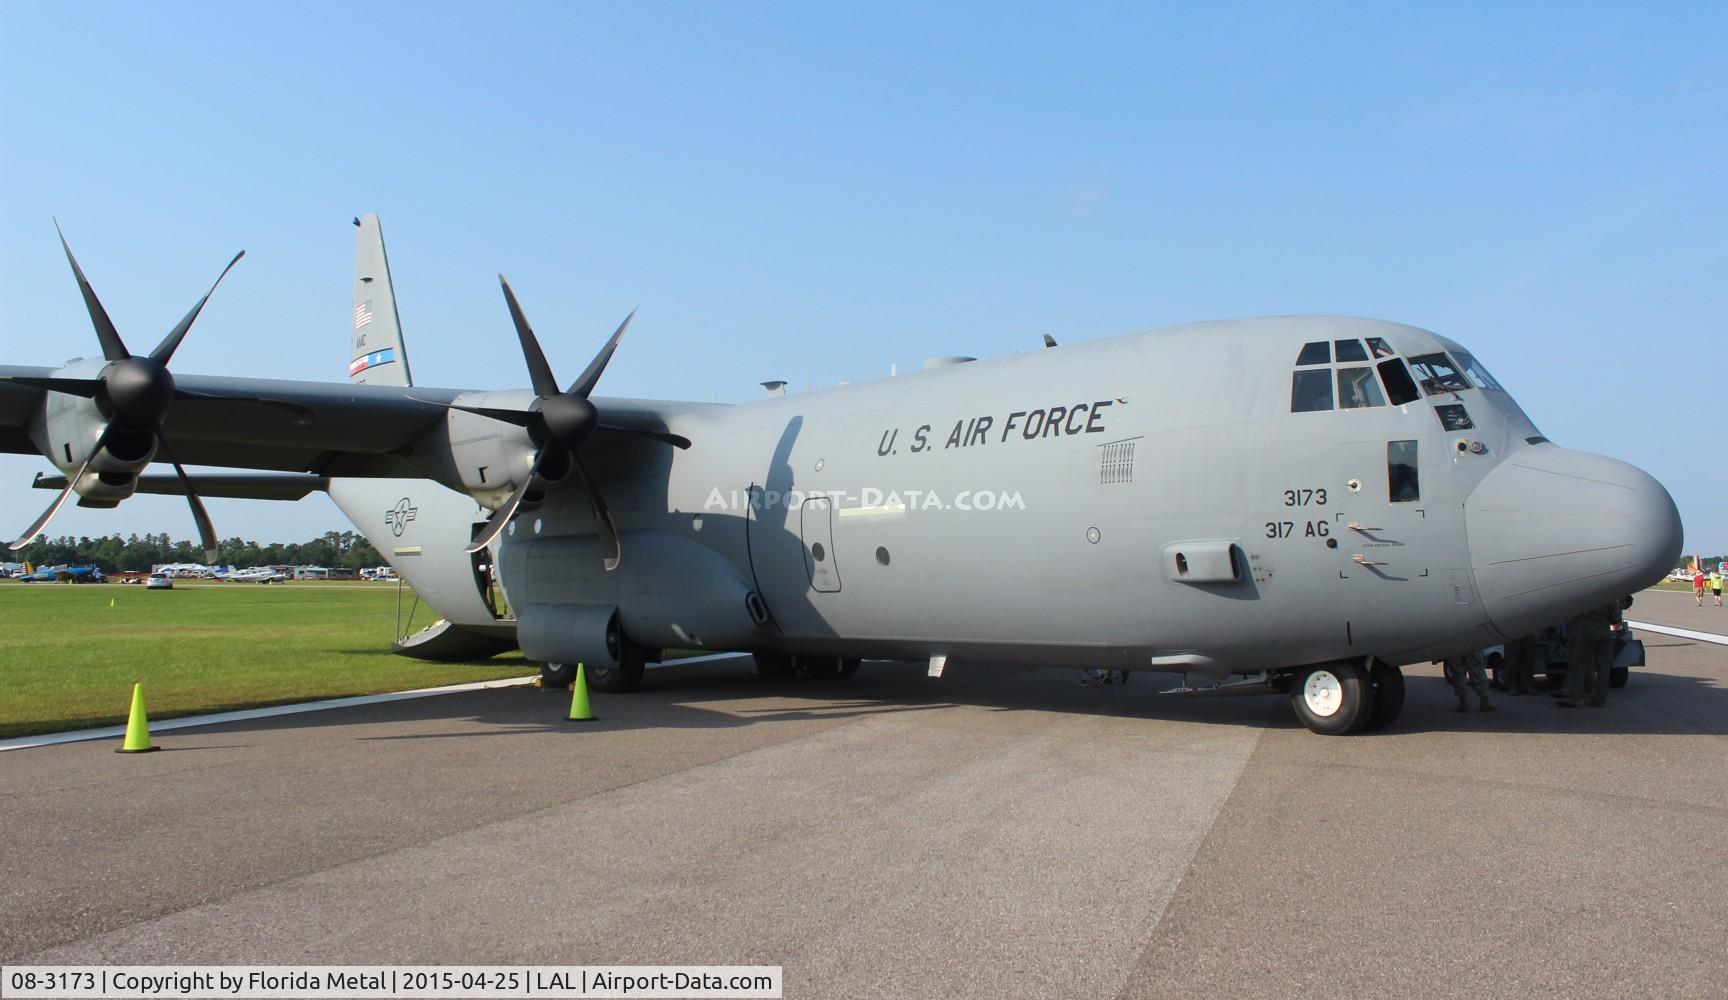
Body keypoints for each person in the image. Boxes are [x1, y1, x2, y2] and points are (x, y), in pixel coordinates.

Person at [1556, 599, 1621, 708]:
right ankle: (1599, 699)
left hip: (1585, 630)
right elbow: (1615, 619)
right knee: (1603, 667)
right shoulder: (1609, 594)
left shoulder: (1586, 593)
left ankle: (1574, 697)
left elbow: (1571, 612)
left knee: (1579, 664)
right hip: (1604, 631)